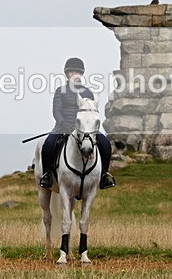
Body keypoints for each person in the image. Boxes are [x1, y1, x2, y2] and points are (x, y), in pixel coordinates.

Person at [39, 57, 115, 190]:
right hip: (63, 127)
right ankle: (47, 175)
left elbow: (92, 111)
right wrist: (63, 123)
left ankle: (104, 175)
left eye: (77, 72)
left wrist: (89, 126)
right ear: (67, 74)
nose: (75, 74)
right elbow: (56, 110)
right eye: (72, 72)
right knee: (48, 145)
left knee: (106, 144)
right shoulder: (60, 91)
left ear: (81, 74)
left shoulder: (88, 92)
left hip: (85, 128)